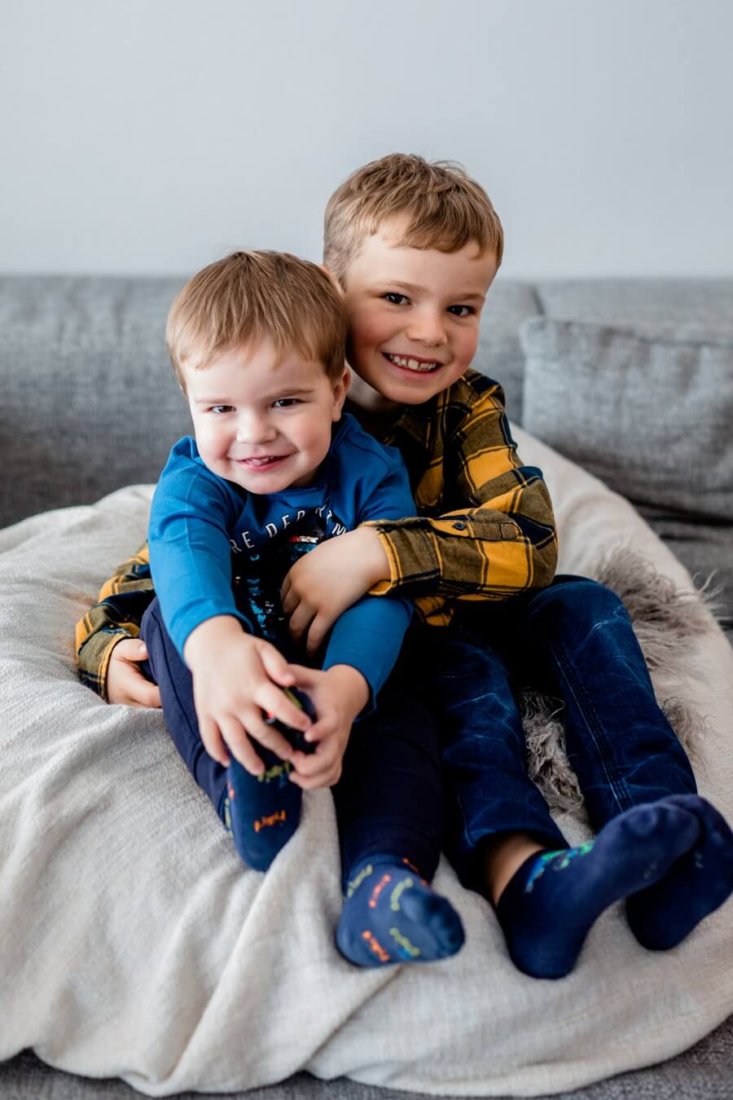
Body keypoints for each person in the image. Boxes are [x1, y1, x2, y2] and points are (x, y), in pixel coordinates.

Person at [77, 154, 733, 981]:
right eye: (396, 298)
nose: (429, 332)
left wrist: (379, 551)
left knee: (585, 605)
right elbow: (181, 554)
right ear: (331, 289)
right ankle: (517, 878)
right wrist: (106, 645)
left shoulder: (465, 411)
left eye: (460, 307)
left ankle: (667, 838)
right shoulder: (271, 404)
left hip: (465, 605)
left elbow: (529, 542)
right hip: (389, 644)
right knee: (460, 690)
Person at [116, 248, 466, 969]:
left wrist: (347, 687)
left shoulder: (372, 473)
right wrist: (218, 647)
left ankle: (384, 882)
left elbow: (383, 592)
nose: (253, 433)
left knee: (404, 717)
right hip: (239, 653)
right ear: (190, 405)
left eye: (284, 402)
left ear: (337, 393)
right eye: (220, 409)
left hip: (339, 655)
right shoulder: (195, 479)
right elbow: (183, 555)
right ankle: (248, 791)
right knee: (166, 626)